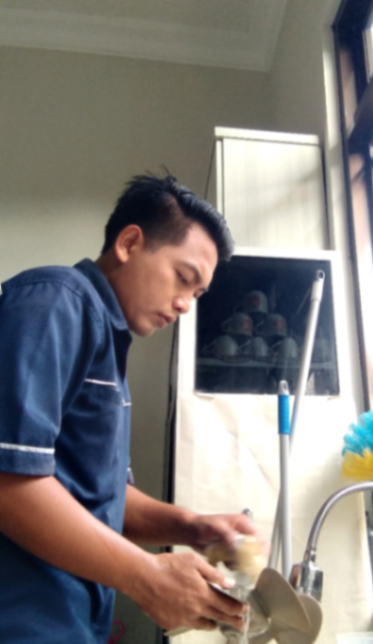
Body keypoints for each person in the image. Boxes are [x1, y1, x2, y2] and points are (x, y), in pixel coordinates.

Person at [0, 174, 261, 643]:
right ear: (129, 243)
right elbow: (8, 481)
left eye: (197, 294)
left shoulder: (108, 348)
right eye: (184, 278)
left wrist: (192, 527)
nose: (185, 304)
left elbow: (105, 498)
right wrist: (146, 575)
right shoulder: (58, 299)